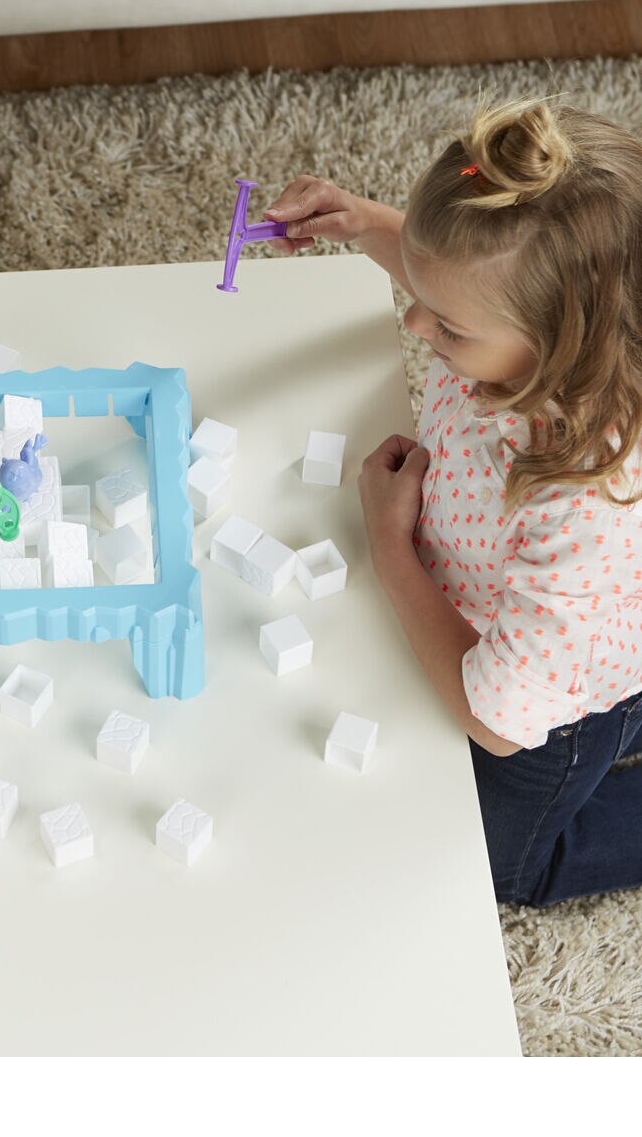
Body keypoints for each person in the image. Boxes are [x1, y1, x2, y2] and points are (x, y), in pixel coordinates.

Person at [265, 96, 642, 907]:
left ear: (561, 347)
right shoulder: (542, 330)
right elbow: (473, 284)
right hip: (573, 609)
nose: (413, 323)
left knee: (502, 865)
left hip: (572, 702)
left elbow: (497, 725)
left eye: (448, 328)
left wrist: (390, 548)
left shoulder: (579, 503)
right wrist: (369, 224)